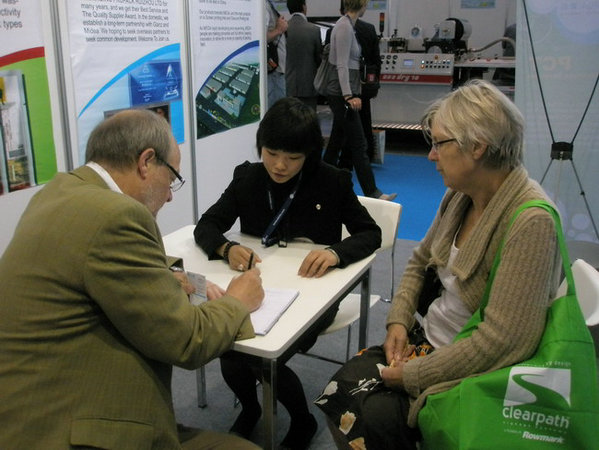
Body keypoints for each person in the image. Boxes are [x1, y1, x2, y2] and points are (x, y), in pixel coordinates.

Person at [314, 79, 561, 449]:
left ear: (477, 146)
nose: (430, 155)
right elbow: (419, 262)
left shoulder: (531, 222)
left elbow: (504, 342)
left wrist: (414, 374)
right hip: (429, 342)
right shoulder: (461, 196)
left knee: (371, 416)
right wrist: (399, 318)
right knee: (340, 391)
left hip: (475, 372)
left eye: (439, 143)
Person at [0, 109, 264, 450]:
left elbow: (87, 257)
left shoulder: (60, 190)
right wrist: (237, 301)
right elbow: (187, 341)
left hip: (28, 413)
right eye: (172, 178)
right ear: (146, 162)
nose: (170, 195)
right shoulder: (117, 215)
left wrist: (164, 273)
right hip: (68, 429)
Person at [193, 97, 381, 449]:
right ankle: (251, 408)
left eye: (293, 158)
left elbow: (371, 233)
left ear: (309, 154)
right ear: (260, 147)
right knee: (230, 350)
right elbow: (207, 225)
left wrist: (335, 253)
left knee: (267, 359)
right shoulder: (247, 177)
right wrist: (226, 248)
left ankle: (302, 420)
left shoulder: (332, 181)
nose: (279, 165)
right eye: (271, 153)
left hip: (314, 296)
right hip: (260, 291)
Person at [322, 0, 395, 201]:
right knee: (359, 143)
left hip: (344, 91)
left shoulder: (347, 25)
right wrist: (348, 96)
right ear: (361, 5)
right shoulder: (344, 27)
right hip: (342, 93)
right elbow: (342, 65)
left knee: (336, 142)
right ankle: (372, 192)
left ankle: (318, 182)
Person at [285, 0, 322, 111]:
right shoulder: (314, 29)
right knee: (309, 116)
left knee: (291, 117)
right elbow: (319, 58)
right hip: (309, 84)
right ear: (304, 7)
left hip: (288, 84)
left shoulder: (283, 28)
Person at [266, 0, 287, 108]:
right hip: (273, 72)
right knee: (278, 111)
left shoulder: (269, 5)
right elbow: (261, 37)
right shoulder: (264, 7)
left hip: (276, 70)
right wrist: (279, 29)